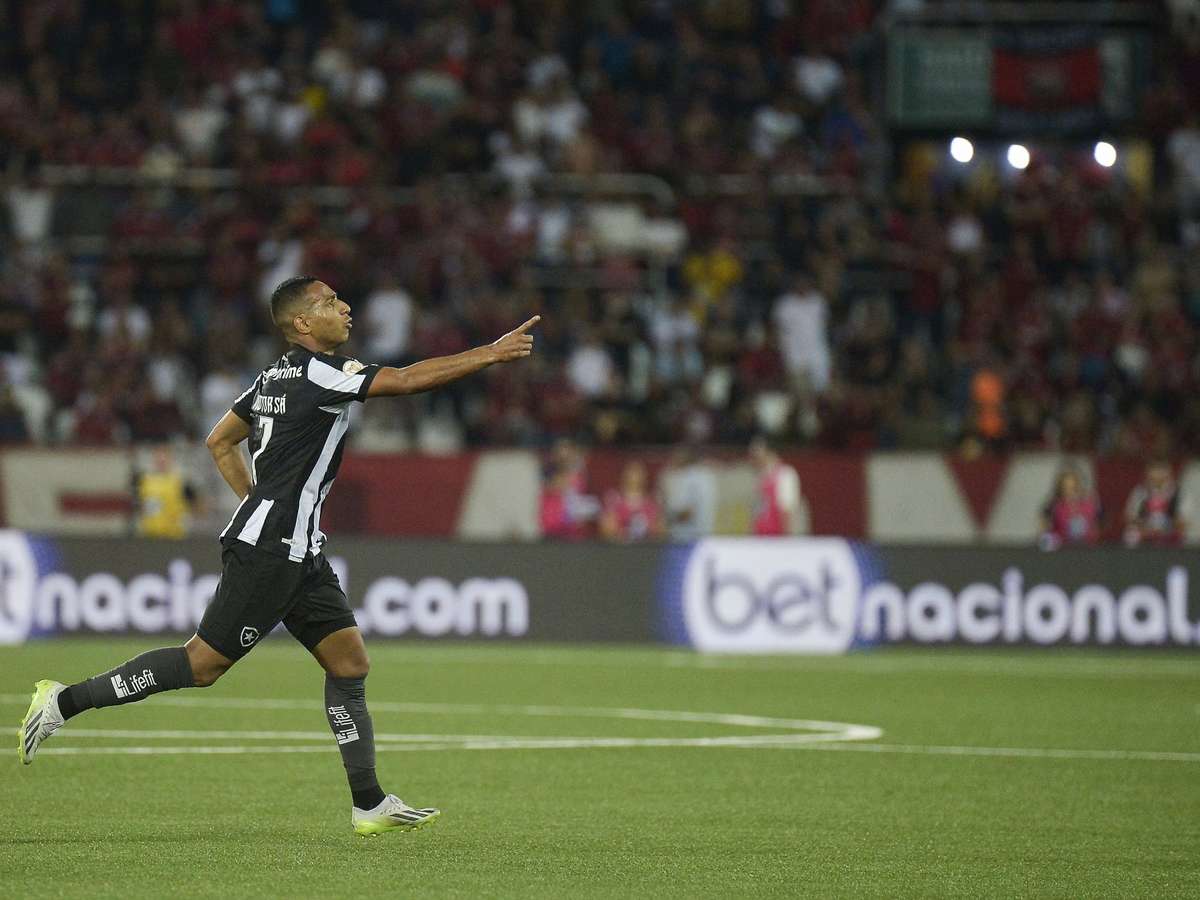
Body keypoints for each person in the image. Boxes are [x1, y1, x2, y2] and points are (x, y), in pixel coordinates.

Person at [18, 276, 540, 837]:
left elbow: (220, 440)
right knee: (201, 665)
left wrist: (259, 503)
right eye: (329, 302)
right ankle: (63, 702)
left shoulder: (274, 375)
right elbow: (408, 379)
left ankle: (369, 803)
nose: (344, 307)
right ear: (303, 323)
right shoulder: (321, 373)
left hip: (299, 548)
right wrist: (491, 353)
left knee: (349, 663)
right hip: (272, 550)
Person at [1124, 459, 1188, 547]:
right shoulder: (1140, 491)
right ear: (1147, 473)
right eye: (1154, 470)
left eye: (1161, 470)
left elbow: (1183, 521)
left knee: (1187, 535)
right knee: (1130, 535)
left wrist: (1165, 529)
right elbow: (1130, 516)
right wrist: (1145, 528)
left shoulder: (1179, 492)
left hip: (1170, 530)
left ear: (1169, 473)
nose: (1158, 475)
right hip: (1146, 530)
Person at [659, 445, 716, 541]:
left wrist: (666, 519)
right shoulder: (708, 475)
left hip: (686, 538)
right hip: (703, 536)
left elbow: (688, 513)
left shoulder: (690, 477)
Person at [1038, 465, 1101, 550]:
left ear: (1078, 486)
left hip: (1088, 549)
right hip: (1064, 550)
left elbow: (1099, 526)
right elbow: (1045, 531)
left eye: (1073, 487)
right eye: (1066, 487)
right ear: (1061, 488)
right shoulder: (1056, 507)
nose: (1070, 491)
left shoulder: (1090, 504)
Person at [749, 437, 803, 536]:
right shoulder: (761, 476)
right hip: (760, 536)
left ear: (768, 452)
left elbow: (787, 510)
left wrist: (786, 538)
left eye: (757, 452)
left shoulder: (785, 474)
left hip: (777, 536)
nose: (754, 457)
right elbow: (757, 511)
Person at [599, 460, 663, 542]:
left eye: (639, 472)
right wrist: (623, 533)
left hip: (646, 546)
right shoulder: (613, 499)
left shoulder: (653, 501)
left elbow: (660, 529)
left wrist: (650, 532)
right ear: (624, 474)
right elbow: (606, 529)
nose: (635, 476)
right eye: (632, 471)